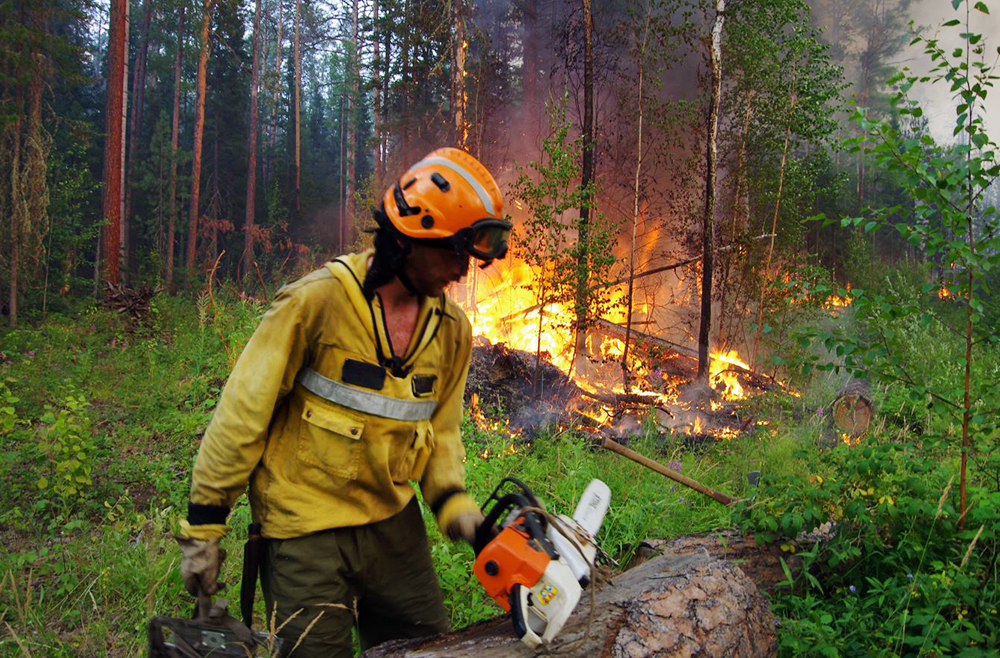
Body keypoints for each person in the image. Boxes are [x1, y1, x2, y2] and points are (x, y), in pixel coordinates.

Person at [175, 147, 512, 656]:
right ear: (412, 238)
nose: (463, 272)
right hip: (304, 526)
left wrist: (462, 512)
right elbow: (242, 416)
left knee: (427, 648)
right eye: (454, 253)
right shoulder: (316, 304)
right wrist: (204, 527)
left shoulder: (451, 331)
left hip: (392, 525)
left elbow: (441, 433)